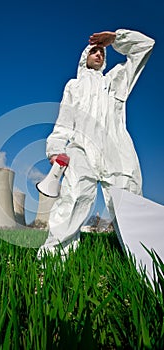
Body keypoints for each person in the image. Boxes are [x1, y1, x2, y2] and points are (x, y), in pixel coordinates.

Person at [37, 29, 155, 258]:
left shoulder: (117, 79)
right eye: (94, 50)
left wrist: (116, 39)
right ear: (84, 57)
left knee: (129, 203)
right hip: (81, 150)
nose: (99, 53)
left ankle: (143, 262)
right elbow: (63, 122)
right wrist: (56, 149)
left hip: (117, 151)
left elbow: (145, 46)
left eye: (102, 51)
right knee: (71, 202)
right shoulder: (74, 86)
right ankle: (52, 263)